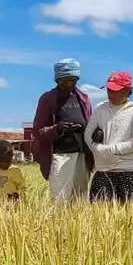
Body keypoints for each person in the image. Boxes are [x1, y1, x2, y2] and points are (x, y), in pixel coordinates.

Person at [32, 59, 95, 202]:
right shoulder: (48, 99)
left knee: (80, 198)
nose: (69, 83)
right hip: (59, 155)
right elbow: (37, 131)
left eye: (72, 79)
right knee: (61, 199)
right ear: (58, 79)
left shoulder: (83, 98)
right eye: (65, 80)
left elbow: (89, 122)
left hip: (81, 154)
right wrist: (57, 128)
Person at [85, 71, 133, 203]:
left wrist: (109, 150)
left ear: (127, 91)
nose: (110, 94)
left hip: (128, 170)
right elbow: (87, 134)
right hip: (103, 170)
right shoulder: (100, 109)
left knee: (130, 215)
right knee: (98, 215)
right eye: (109, 90)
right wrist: (95, 148)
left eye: (115, 90)